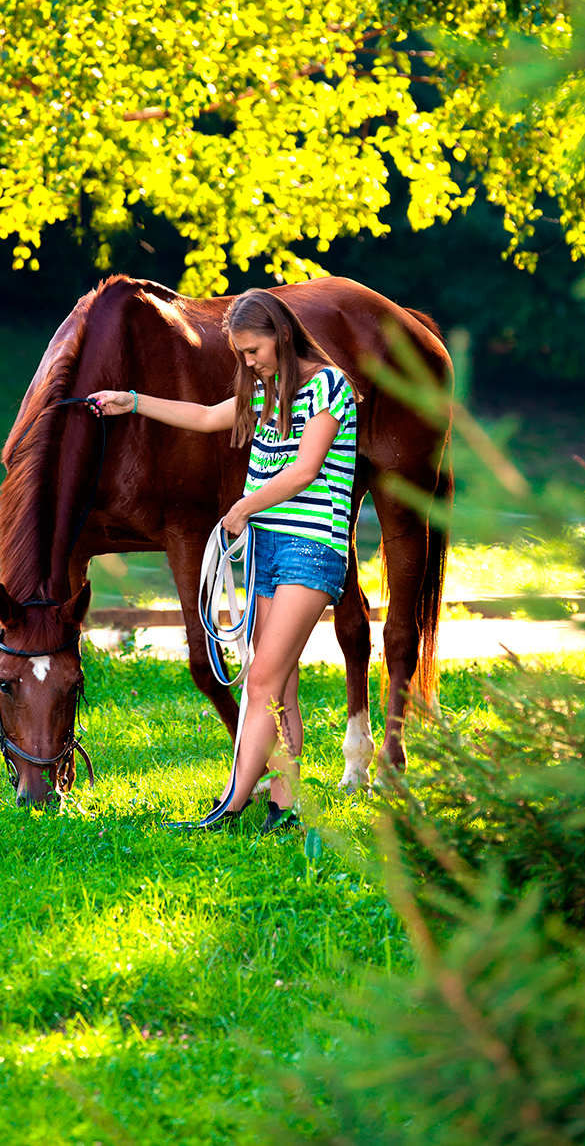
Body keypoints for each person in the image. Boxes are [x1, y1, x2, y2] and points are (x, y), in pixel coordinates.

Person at [88, 288, 357, 833]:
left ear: (281, 337)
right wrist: (132, 401)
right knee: (280, 684)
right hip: (267, 547)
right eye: (242, 354)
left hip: (312, 546)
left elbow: (306, 471)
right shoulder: (268, 391)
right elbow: (209, 416)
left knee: (259, 681)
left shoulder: (330, 386)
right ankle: (286, 804)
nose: (248, 362)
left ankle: (232, 803)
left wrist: (242, 506)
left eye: (253, 350)